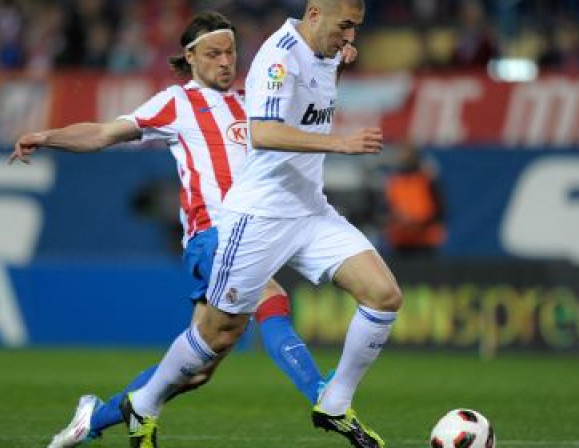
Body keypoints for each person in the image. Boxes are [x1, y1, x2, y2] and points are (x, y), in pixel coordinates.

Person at [9, 11, 347, 448]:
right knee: (271, 296)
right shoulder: (176, 102)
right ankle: (323, 396)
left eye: (231, 52)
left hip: (256, 231)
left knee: (197, 369)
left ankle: (95, 417)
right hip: (213, 236)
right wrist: (47, 135)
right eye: (214, 53)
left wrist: (335, 55)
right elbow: (101, 133)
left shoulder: (253, 102)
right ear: (190, 57)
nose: (226, 61)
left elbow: (308, 82)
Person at [119, 1, 402, 448]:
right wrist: (341, 143)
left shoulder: (327, 53)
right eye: (345, 26)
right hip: (259, 216)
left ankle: (333, 403)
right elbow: (263, 132)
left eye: (356, 28)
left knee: (384, 296)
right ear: (314, 14)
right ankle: (145, 402)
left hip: (309, 210)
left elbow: (308, 106)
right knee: (217, 333)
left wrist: (339, 64)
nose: (351, 37)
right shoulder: (279, 56)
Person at [384, 142, 445, 256]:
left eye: (407, 152)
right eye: (401, 152)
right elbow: (387, 209)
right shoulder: (394, 180)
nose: (403, 156)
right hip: (401, 241)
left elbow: (439, 210)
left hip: (425, 241)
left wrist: (417, 224)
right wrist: (398, 220)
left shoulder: (427, 179)